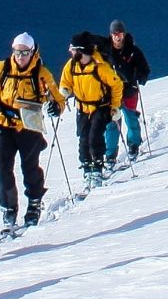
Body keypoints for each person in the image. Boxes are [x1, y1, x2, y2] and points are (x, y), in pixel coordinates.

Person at [0, 32, 67, 228]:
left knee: (29, 167)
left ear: (32, 52)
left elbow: (58, 98)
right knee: (2, 167)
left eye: (24, 52)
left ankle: (34, 202)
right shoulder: (1, 68)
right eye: (17, 52)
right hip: (4, 124)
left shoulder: (41, 73)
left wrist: (57, 107)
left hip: (29, 125)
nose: (20, 56)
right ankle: (9, 207)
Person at [59, 31, 123, 186]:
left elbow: (116, 84)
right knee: (83, 137)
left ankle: (97, 168)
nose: (71, 51)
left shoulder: (100, 66)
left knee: (95, 136)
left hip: (100, 107)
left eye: (73, 49)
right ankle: (87, 167)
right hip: (82, 107)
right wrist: (63, 94)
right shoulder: (71, 65)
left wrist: (115, 107)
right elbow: (65, 83)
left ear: (81, 51)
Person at [104, 19, 151, 164]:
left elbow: (145, 68)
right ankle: (110, 154)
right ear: (111, 35)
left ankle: (134, 145)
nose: (117, 36)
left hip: (129, 89)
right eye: (115, 33)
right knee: (112, 122)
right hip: (112, 92)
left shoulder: (133, 50)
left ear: (124, 34)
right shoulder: (106, 52)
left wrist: (138, 79)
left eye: (120, 33)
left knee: (131, 117)